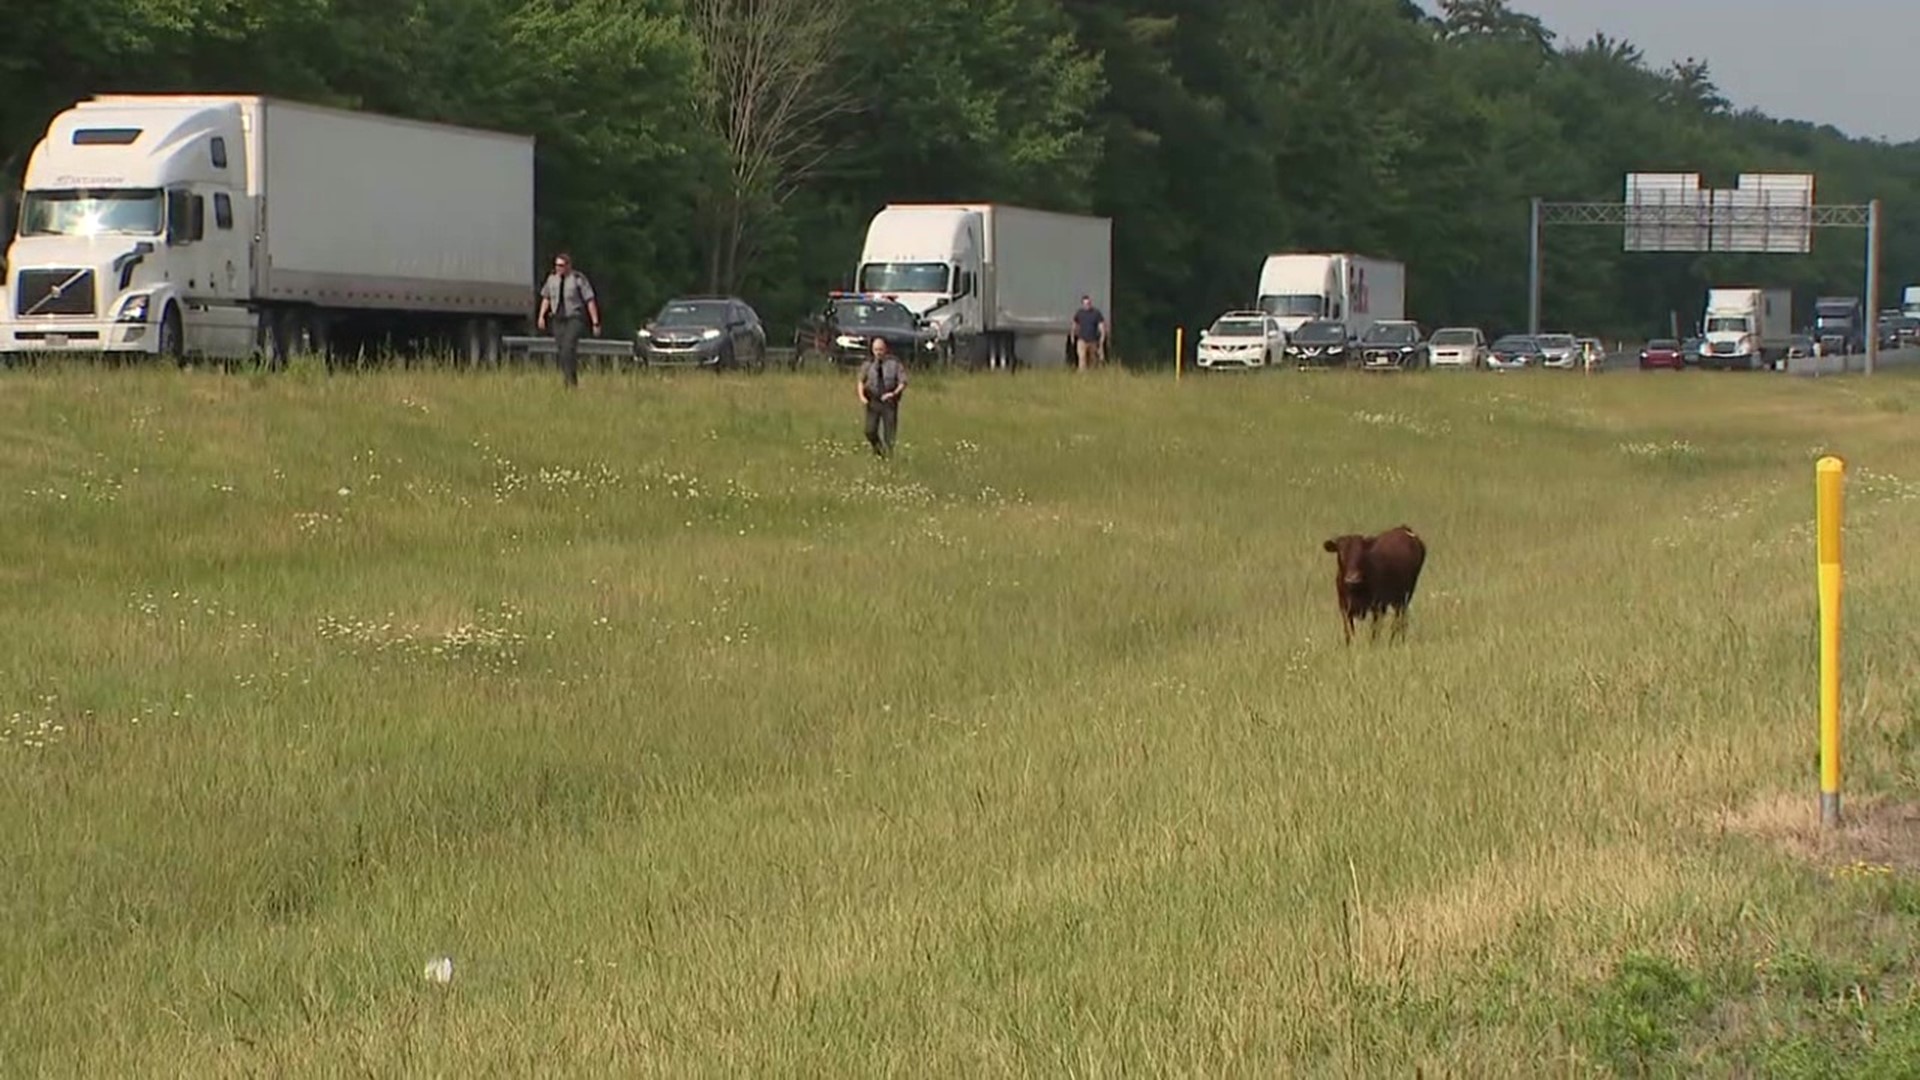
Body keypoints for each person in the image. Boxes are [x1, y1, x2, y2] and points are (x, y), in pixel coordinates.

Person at [536, 252, 600, 387]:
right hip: (557, 319)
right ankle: (569, 379)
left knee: (568, 347)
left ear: (568, 266)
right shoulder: (552, 279)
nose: (558, 268)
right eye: (557, 265)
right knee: (562, 351)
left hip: (574, 318)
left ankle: (570, 382)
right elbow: (546, 298)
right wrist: (541, 316)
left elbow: (589, 300)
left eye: (561, 265)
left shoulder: (578, 279)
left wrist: (595, 322)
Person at [857, 338, 907, 457]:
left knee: (889, 434)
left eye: (880, 349)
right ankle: (879, 452)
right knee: (870, 431)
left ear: (885, 349)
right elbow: (860, 381)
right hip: (873, 400)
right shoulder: (867, 364)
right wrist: (862, 397)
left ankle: (889, 456)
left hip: (889, 401)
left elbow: (903, 382)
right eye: (875, 350)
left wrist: (894, 393)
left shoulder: (894, 364)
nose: (878, 352)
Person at [1070, 294, 1107, 370]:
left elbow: (1101, 326)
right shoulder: (1079, 313)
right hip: (1082, 340)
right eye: (1086, 303)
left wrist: (1102, 338)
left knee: (1092, 359)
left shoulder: (1096, 313)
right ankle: (1082, 375)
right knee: (1082, 358)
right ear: (1083, 304)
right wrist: (1072, 336)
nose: (1087, 305)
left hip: (1093, 340)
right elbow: (1074, 325)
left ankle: (1092, 375)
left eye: (1089, 303)